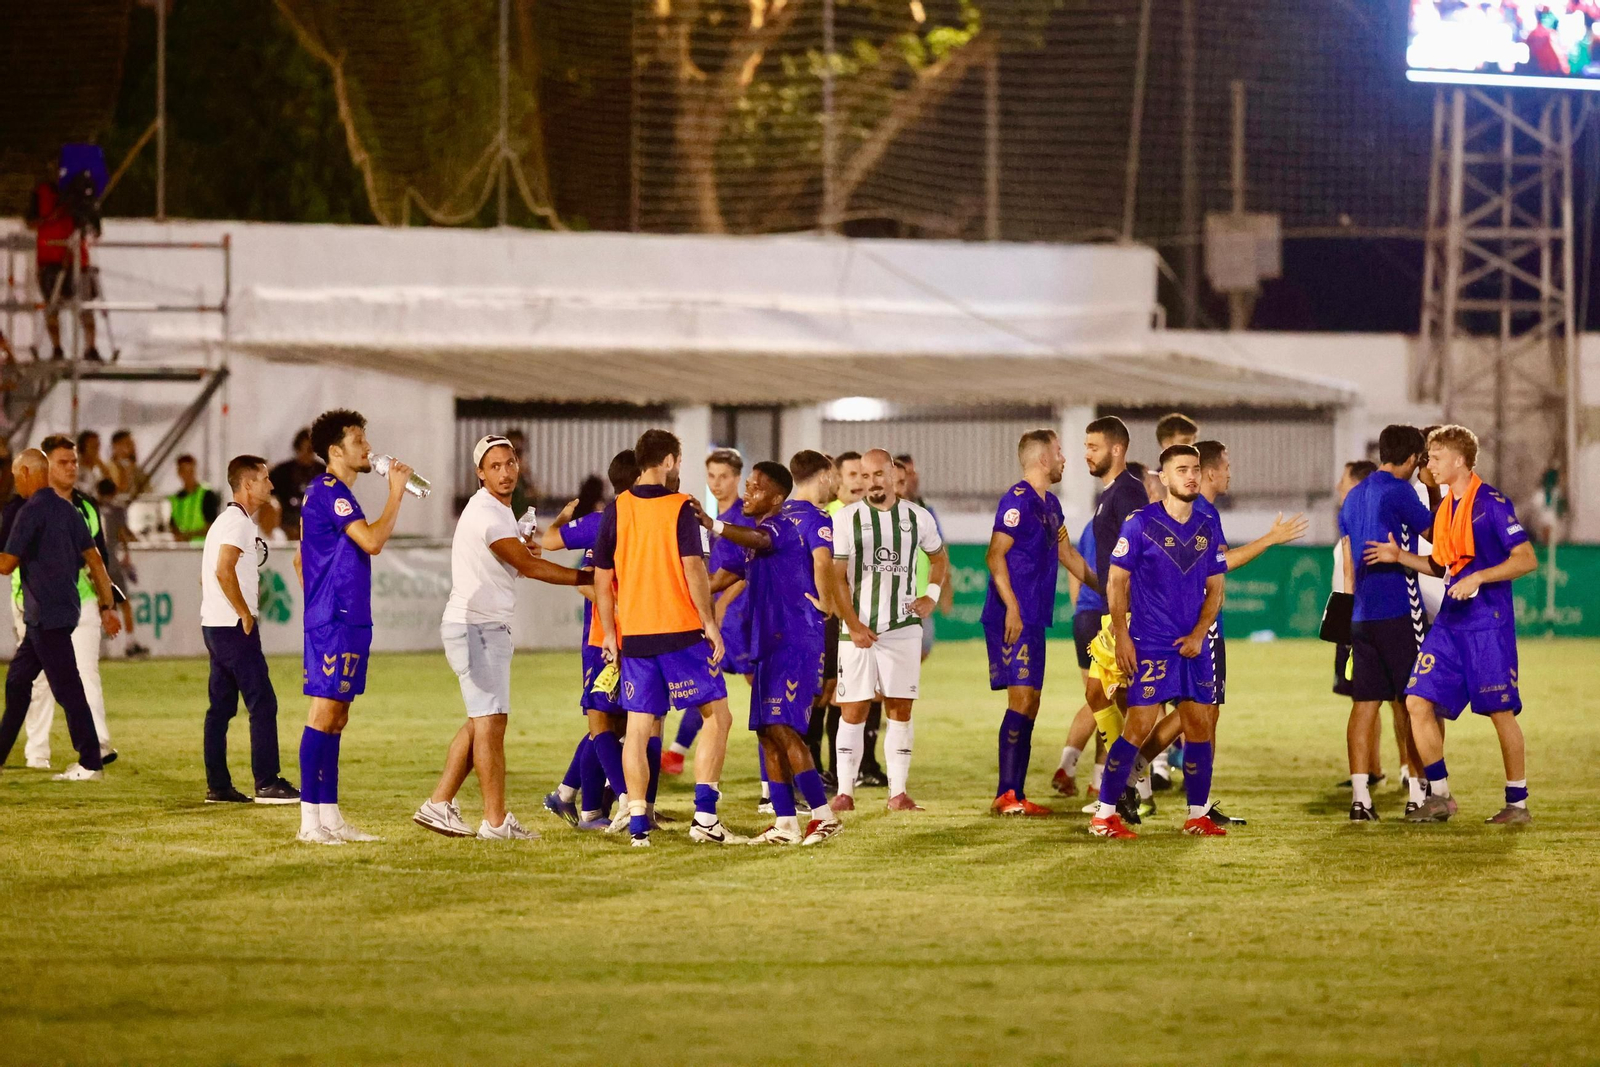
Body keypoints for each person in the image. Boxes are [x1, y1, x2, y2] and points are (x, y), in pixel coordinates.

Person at [413, 436, 590, 841]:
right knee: (491, 726)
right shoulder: (487, 513)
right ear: (480, 473)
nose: (506, 472)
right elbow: (528, 566)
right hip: (476, 626)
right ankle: (495, 822)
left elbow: (521, 559)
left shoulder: (497, 511)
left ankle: (438, 805)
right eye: (495, 466)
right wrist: (587, 577)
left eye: (510, 463)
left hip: (480, 625)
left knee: (481, 724)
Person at [1364, 425, 1538, 825]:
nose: (1429, 463)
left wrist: (1479, 577)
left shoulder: (1491, 503)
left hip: (1487, 625)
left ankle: (1517, 804)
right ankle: (1439, 796)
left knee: (1501, 712)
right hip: (1450, 622)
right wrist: (1399, 555)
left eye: (1436, 456)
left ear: (1460, 460)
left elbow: (1526, 558)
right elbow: (1440, 566)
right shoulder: (1446, 510)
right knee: (1416, 701)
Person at [592, 429, 742, 847]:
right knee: (718, 715)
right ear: (671, 461)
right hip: (680, 632)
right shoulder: (679, 507)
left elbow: (603, 580)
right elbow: (694, 570)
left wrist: (609, 633)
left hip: (635, 636)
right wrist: (710, 623)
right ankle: (706, 817)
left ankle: (638, 819)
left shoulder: (616, 508)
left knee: (639, 727)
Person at [696, 454, 843, 846]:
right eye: (748, 486)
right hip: (767, 640)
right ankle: (785, 822)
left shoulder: (788, 523)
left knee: (782, 725)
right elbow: (728, 575)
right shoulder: (765, 525)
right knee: (765, 731)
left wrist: (825, 602)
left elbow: (820, 561)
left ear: (777, 497)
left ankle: (823, 816)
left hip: (793, 640)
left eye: (755, 487)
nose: (748, 492)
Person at [1089, 444, 1228, 839]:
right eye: (1181, 469)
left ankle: (1197, 814)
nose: (1190, 476)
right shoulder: (1140, 523)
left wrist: (1200, 634)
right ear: (1163, 478)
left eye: (1196, 469)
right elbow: (1116, 581)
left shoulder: (1208, 524)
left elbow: (1216, 588)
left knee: (1199, 724)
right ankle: (1103, 815)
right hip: (1150, 643)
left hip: (1193, 646)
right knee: (1138, 727)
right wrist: (1122, 637)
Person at [292, 409, 414, 845]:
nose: (367, 448)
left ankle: (330, 817)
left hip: (345, 617)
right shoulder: (330, 491)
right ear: (335, 451)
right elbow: (373, 542)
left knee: (337, 716)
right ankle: (310, 822)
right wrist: (396, 494)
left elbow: (299, 558)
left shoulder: (331, 494)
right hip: (335, 620)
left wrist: (320, 591)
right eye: (359, 440)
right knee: (324, 714)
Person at [827, 448, 949, 814]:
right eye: (864, 477)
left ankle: (898, 793)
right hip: (858, 630)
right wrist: (853, 624)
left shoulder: (917, 517)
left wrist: (932, 594)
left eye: (877, 474)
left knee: (900, 707)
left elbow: (939, 557)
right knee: (853, 709)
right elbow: (837, 579)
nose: (871, 483)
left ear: (893, 473)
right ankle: (845, 791)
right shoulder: (847, 519)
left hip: (903, 628)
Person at [984, 430, 1097, 815]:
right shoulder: (1017, 500)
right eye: (1060, 452)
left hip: (1034, 615)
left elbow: (1068, 555)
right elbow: (995, 556)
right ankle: (1006, 795)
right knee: (1022, 700)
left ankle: (1014, 794)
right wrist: (1012, 607)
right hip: (1012, 614)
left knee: (1031, 702)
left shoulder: (1051, 505)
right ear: (1044, 459)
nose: (1066, 459)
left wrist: (1112, 589)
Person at [0, 443, 121, 781]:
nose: (14, 483)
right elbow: (96, 561)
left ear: (26, 473)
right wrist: (107, 603)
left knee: (67, 688)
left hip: (45, 616)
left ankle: (90, 762)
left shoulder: (29, 510)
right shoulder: (69, 510)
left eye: (15, 477)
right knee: (18, 681)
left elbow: (6, 565)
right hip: (61, 610)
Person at [1337, 426, 1434, 821]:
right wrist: (1435, 488)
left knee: (1364, 706)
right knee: (1415, 703)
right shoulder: (1400, 490)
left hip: (1361, 614)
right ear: (1413, 459)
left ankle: (1361, 799)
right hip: (1398, 608)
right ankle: (1417, 794)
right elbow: (1435, 532)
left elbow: (1347, 557)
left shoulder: (1353, 496)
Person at [538, 454, 638, 831]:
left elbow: (550, 541)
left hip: (620, 635)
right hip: (607, 638)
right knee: (605, 723)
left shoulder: (603, 520)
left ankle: (569, 796)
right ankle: (617, 803)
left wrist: (564, 518)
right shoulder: (616, 521)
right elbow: (586, 578)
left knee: (613, 722)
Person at [199, 455, 300, 805]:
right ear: (247, 485)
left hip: (214, 624)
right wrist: (243, 613)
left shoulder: (224, 522)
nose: (271, 486)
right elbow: (223, 570)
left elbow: (207, 574)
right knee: (262, 702)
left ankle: (219, 786)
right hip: (231, 626)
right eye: (265, 479)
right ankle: (267, 782)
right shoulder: (238, 524)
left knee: (221, 708)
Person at [664, 448, 750, 777]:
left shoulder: (744, 518)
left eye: (724, 476)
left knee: (758, 689)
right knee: (707, 682)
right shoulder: (705, 519)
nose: (716, 483)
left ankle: (775, 775)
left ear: (737, 478)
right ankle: (676, 753)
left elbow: (746, 569)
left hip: (740, 616)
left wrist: (726, 603)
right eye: (711, 476)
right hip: (713, 614)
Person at [25, 154, 101, 362]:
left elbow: (93, 226)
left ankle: (91, 347)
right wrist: (52, 217)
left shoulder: (81, 194)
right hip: (50, 257)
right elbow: (30, 222)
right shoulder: (42, 192)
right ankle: (57, 349)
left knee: (86, 304)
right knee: (52, 304)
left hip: (78, 257)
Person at [895, 452, 951, 663]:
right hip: (888, 602)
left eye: (912, 473)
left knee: (921, 651)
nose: (913, 478)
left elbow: (940, 554)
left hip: (919, 596)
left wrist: (942, 590)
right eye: (906, 474)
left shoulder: (925, 512)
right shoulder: (872, 515)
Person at [268, 429, 324, 541]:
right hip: (285, 524)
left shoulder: (322, 472)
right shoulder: (282, 472)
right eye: (308, 450)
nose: (311, 454)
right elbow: (270, 496)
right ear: (298, 448)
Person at [169, 454, 220, 542]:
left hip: (202, 548)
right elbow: (173, 525)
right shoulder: (176, 499)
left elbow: (212, 526)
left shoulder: (207, 494)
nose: (188, 476)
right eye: (184, 471)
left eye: (191, 471)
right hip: (183, 549)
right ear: (179, 473)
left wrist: (188, 535)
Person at [75, 431, 115, 496]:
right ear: (82, 447)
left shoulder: (98, 469)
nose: (96, 450)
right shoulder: (75, 468)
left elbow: (110, 488)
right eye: (92, 446)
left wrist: (101, 466)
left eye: (97, 445)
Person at [109, 430, 142, 496]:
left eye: (132, 444)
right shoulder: (109, 468)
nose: (132, 447)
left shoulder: (137, 469)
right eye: (128, 444)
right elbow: (119, 490)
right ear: (116, 446)